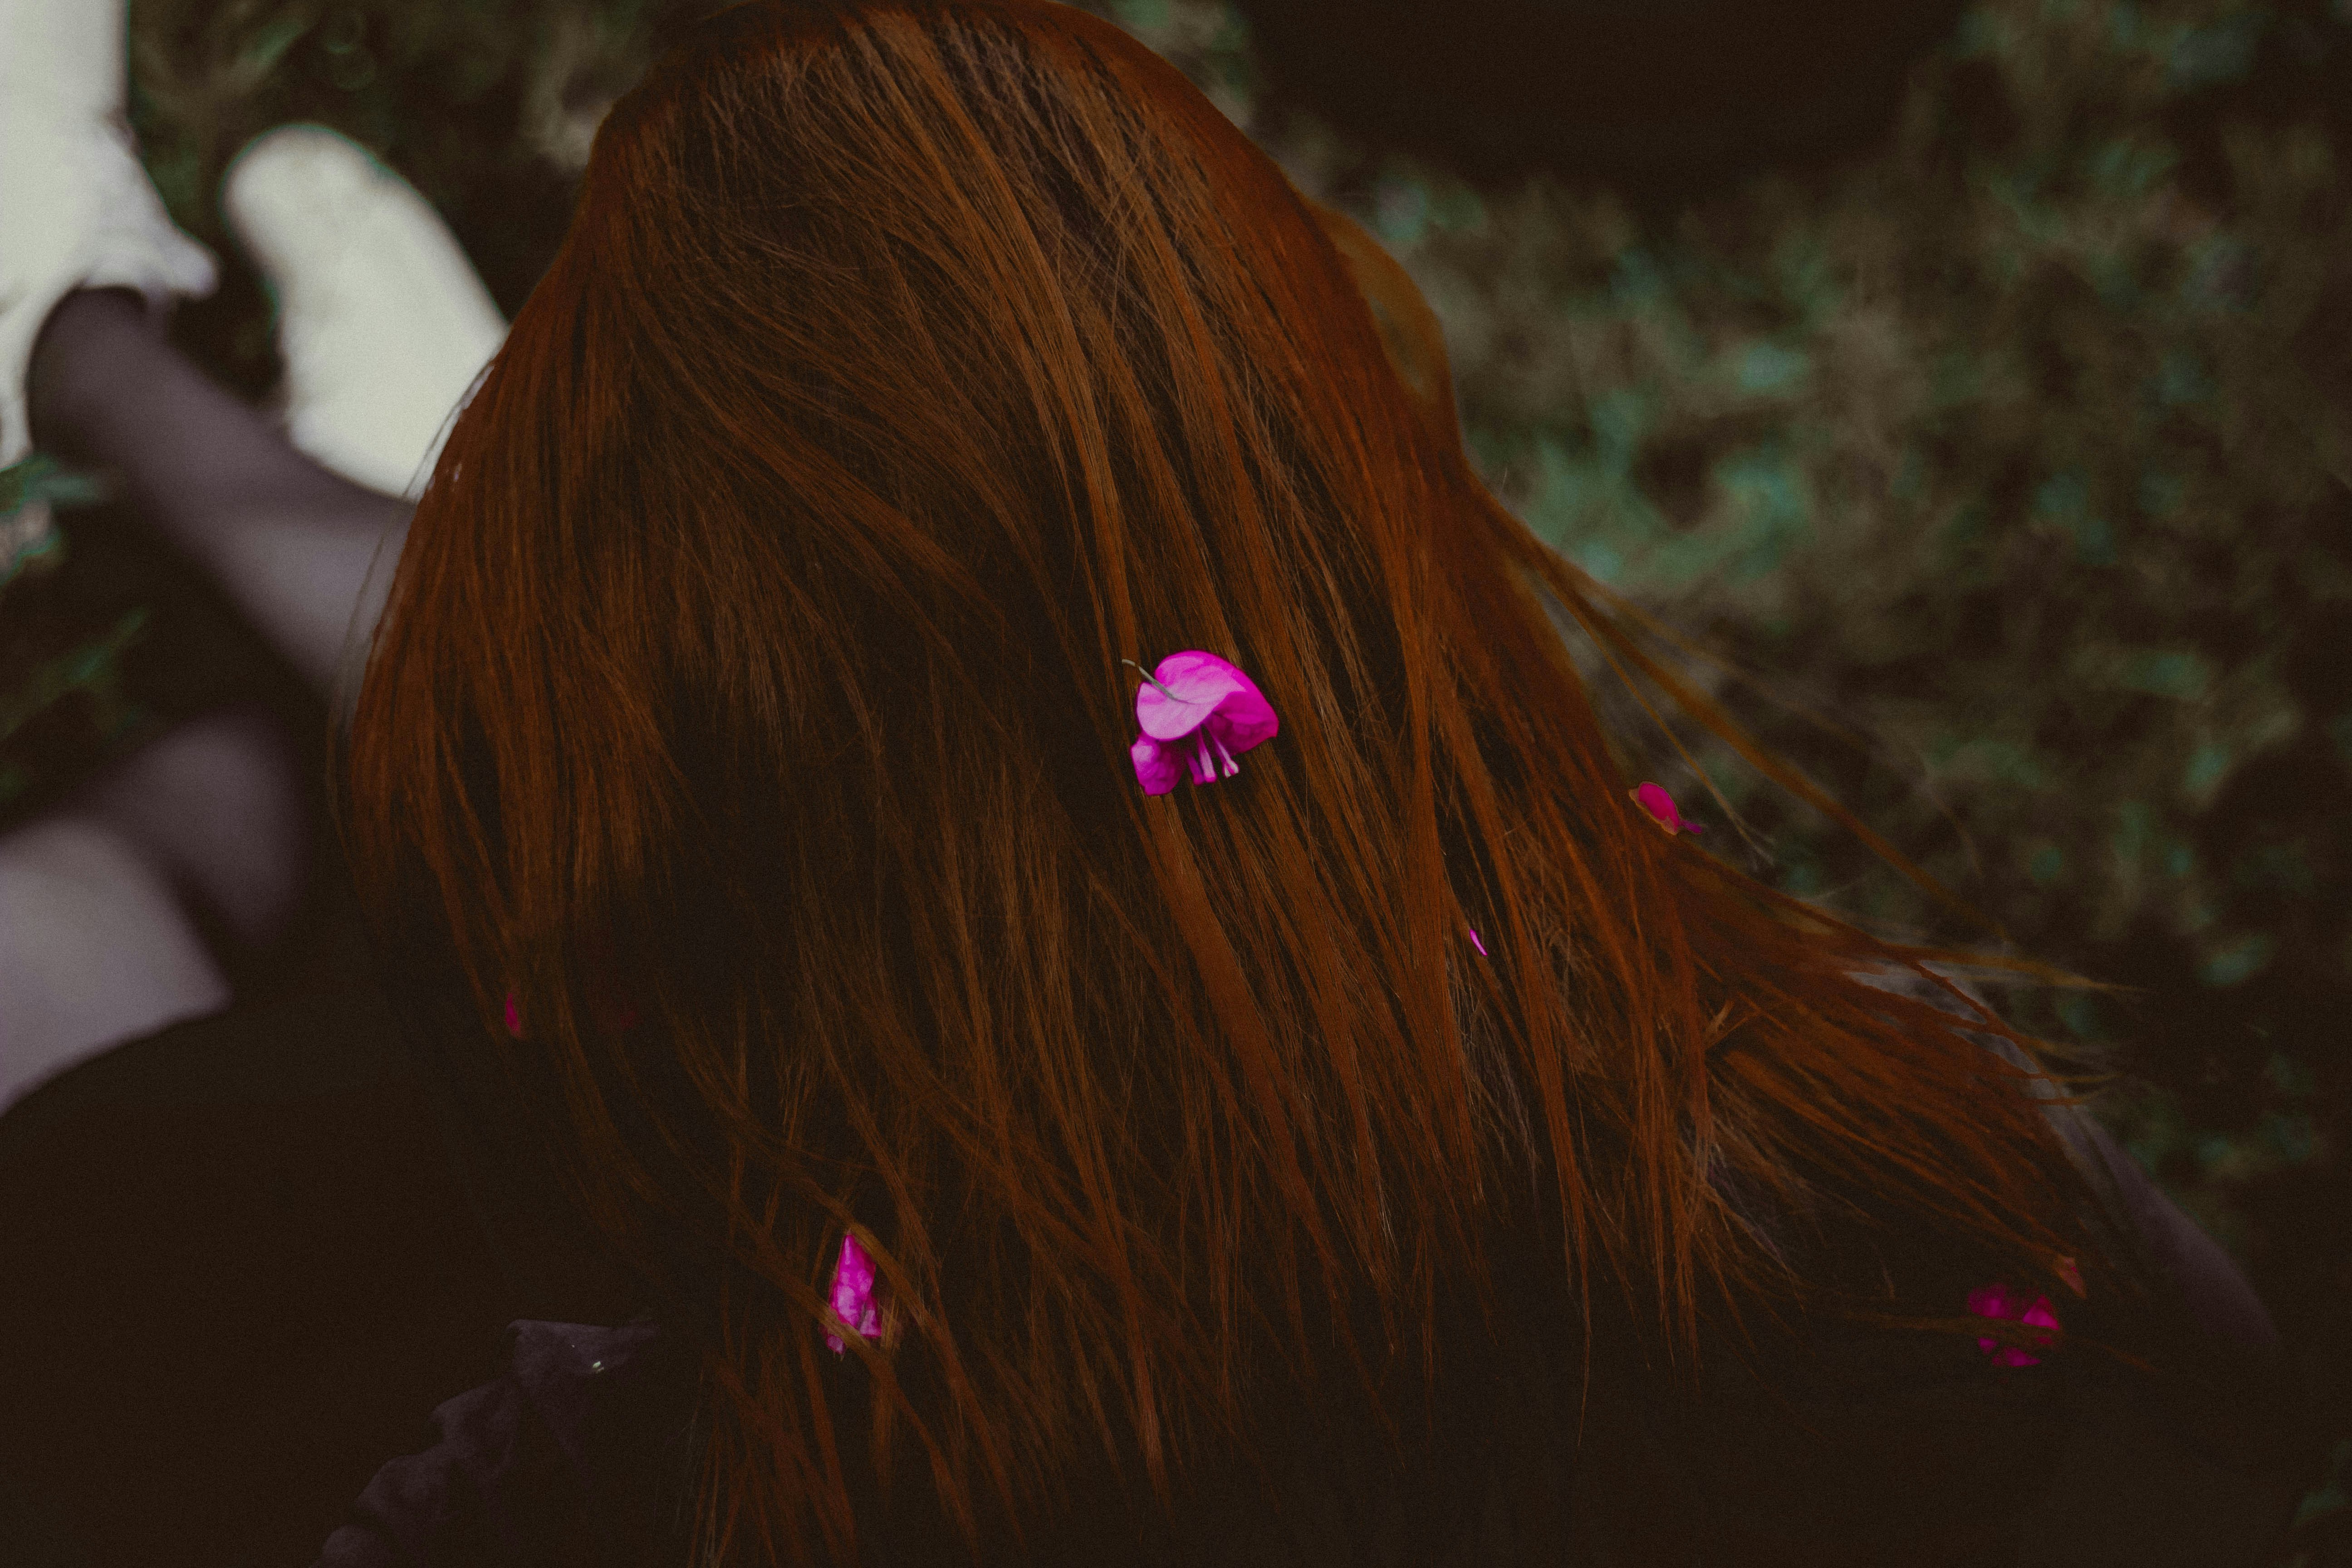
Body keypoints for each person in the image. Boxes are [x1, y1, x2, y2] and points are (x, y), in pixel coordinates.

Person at [0, 1, 2322, 1564]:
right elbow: (2247, 1406)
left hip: (581, 1248)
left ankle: (104, 361)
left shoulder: (649, 1411)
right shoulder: (1868, 1130)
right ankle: (190, 413)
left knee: (72, 934)